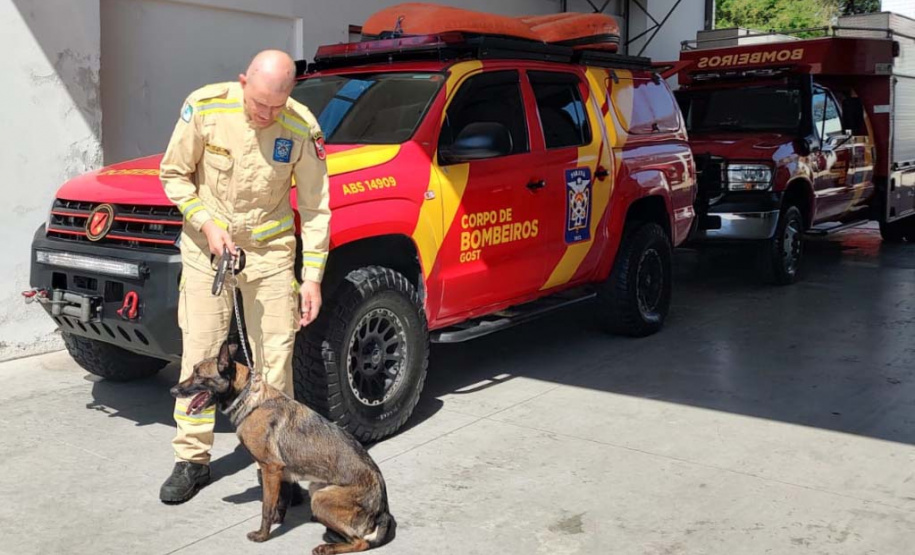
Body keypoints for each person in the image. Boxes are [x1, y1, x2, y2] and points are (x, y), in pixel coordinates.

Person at [158, 50, 330, 504]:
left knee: (276, 358)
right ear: (242, 82)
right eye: (258, 104)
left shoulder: (301, 127)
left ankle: (277, 461)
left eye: (277, 106)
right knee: (200, 352)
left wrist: (311, 277)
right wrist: (207, 224)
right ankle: (191, 459)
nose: (266, 114)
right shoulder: (207, 108)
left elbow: (315, 208)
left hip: (271, 253)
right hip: (206, 249)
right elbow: (173, 174)